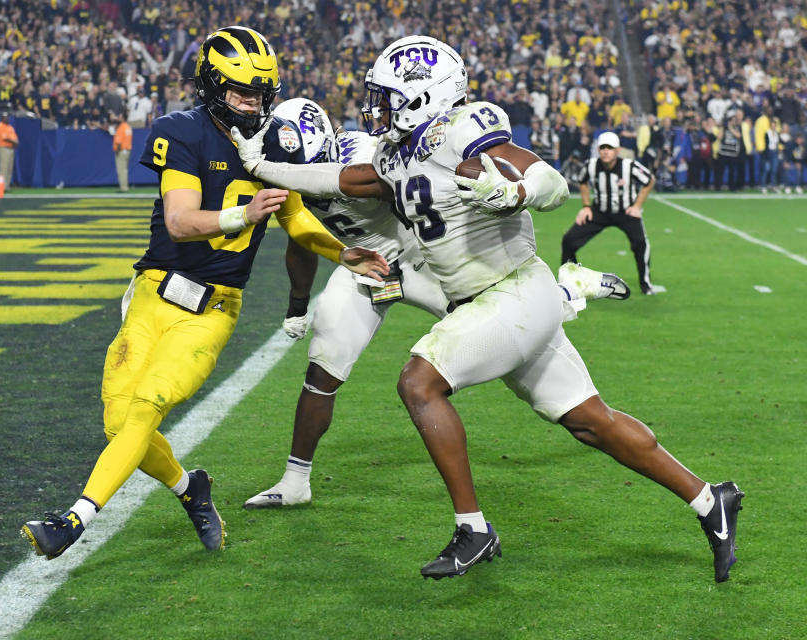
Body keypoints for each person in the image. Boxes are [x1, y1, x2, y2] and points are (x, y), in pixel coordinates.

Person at [232, 35, 743, 583]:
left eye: (386, 95)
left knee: (418, 383)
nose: (376, 106)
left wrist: (518, 192)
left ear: (421, 95)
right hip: (492, 302)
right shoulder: (394, 153)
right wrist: (265, 166)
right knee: (591, 421)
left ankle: (474, 529)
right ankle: (708, 498)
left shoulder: (463, 129)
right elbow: (339, 179)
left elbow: (550, 180)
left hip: (510, 292)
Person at [19, 26, 388, 561]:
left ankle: (75, 519)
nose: (253, 102)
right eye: (241, 90)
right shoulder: (182, 131)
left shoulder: (275, 143)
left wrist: (343, 252)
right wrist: (243, 213)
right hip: (151, 294)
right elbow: (179, 221)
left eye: (261, 92)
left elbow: (298, 222)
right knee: (119, 422)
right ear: (211, 86)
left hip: (212, 308)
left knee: (147, 408)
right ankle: (190, 488)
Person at [244, 98, 630, 510]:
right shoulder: (290, 172)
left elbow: (361, 184)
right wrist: (298, 305)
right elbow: (302, 239)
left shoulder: (362, 150)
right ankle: (295, 480)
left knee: (495, 329)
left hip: (422, 259)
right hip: (364, 264)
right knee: (324, 363)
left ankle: (567, 291)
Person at [561, 131, 658, 295]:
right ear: (598, 149)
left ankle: (645, 282)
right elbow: (582, 181)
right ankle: (571, 282)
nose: (606, 151)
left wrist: (637, 206)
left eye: (610, 148)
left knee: (641, 243)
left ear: (617, 150)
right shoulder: (591, 165)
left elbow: (649, 180)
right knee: (569, 240)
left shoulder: (629, 166)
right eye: (603, 147)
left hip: (625, 211)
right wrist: (586, 206)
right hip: (600, 211)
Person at [0, 113, 19, 192]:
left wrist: (16, 142)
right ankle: (1, 188)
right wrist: (15, 142)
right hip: (3, 148)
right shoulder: (0, 126)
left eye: (8, 117)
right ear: (2, 118)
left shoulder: (10, 127)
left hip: (11, 148)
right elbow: (5, 138)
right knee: (3, 169)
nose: (7, 119)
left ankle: (6, 187)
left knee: (9, 168)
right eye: (5, 117)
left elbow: (14, 137)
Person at [112, 111, 132, 193]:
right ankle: (125, 186)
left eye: (119, 116)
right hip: (127, 150)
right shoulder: (128, 127)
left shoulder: (121, 127)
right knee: (125, 170)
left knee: (121, 170)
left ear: (123, 118)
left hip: (121, 150)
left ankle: (124, 188)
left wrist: (117, 150)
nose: (118, 118)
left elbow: (119, 142)